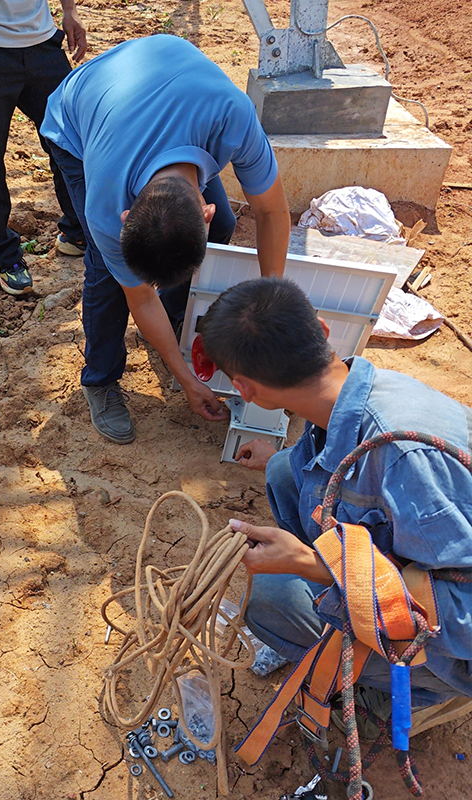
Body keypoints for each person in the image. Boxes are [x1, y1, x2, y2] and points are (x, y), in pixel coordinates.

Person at [196, 276, 472, 713]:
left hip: (451, 650)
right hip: (416, 558)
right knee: (286, 470)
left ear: (244, 389)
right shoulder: (357, 390)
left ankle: (389, 693)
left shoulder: (403, 458)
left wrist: (315, 567)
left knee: (270, 601)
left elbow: (463, 616)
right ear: (322, 330)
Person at [40, 34, 290, 444]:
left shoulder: (234, 117)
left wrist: (273, 301)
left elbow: (273, 212)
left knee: (228, 225)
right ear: (125, 217)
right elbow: (139, 295)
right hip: (76, 115)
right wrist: (186, 378)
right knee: (106, 272)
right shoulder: (106, 205)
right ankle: (100, 380)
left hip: (167, 84)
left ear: (204, 210)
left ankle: (174, 323)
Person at [0, 0, 88, 296]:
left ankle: (77, 230)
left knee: (71, 142)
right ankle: (5, 256)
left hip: (40, 40)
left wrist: (69, 10)